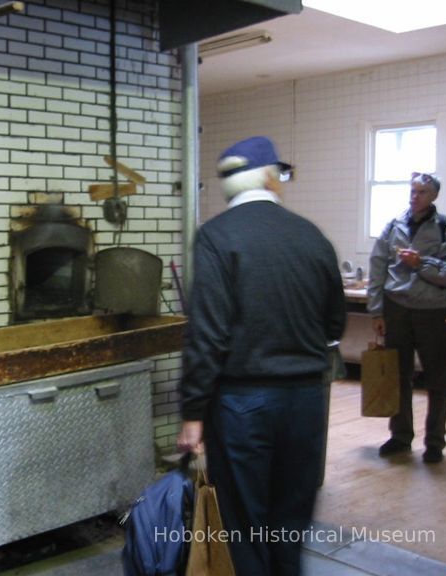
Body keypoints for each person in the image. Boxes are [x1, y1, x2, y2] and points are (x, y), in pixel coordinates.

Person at [177, 136, 346, 575]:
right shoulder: (311, 236)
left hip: (242, 405)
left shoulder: (216, 238)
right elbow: (335, 325)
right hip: (307, 401)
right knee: (290, 521)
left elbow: (207, 335)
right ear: (270, 177)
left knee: (246, 524)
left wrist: (193, 411)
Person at [367, 173, 446, 464]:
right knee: (398, 376)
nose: (415, 196)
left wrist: (420, 263)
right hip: (396, 308)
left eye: (422, 192)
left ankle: (435, 442)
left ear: (434, 196)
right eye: (412, 191)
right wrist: (377, 310)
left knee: (436, 378)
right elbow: (377, 267)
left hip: (432, 311)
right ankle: (400, 437)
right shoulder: (393, 225)